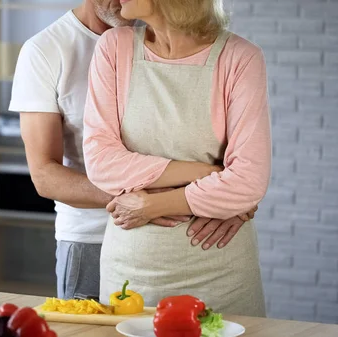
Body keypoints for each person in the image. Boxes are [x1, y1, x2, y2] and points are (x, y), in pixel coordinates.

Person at [83, 0, 271, 316]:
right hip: (131, 271)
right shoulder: (114, 48)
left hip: (221, 271)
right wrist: (206, 173)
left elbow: (248, 181)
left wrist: (152, 205)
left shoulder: (240, 58)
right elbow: (101, 162)